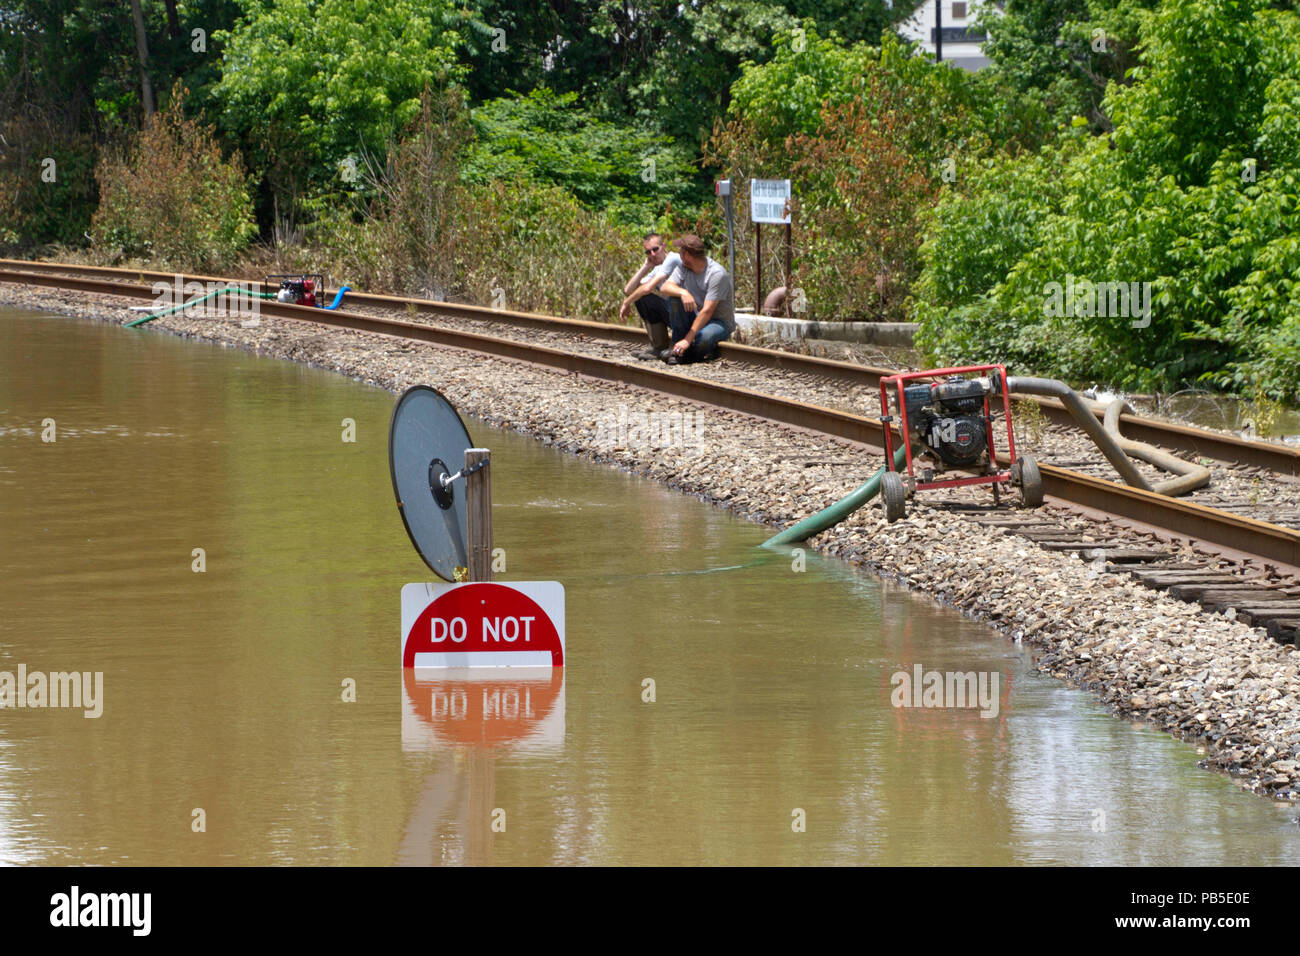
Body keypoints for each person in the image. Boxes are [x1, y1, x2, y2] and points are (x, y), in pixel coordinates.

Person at [658, 234, 734, 364]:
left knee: (703, 338)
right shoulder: (683, 267)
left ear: (687, 255)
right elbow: (665, 287)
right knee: (675, 299)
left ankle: (686, 355)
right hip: (696, 315)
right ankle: (677, 346)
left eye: (680, 251)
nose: (678, 254)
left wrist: (688, 339)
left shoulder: (716, 274)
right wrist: (683, 292)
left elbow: (707, 311)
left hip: (718, 322)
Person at [619, 233, 681, 360]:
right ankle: (659, 347)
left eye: (655, 249)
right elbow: (629, 290)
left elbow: (646, 288)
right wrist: (645, 266)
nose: (652, 254)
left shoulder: (673, 258)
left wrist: (626, 303)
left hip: (688, 314)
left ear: (664, 246)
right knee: (641, 297)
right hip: (675, 314)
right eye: (648, 252)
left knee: (668, 298)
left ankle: (677, 346)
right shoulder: (657, 268)